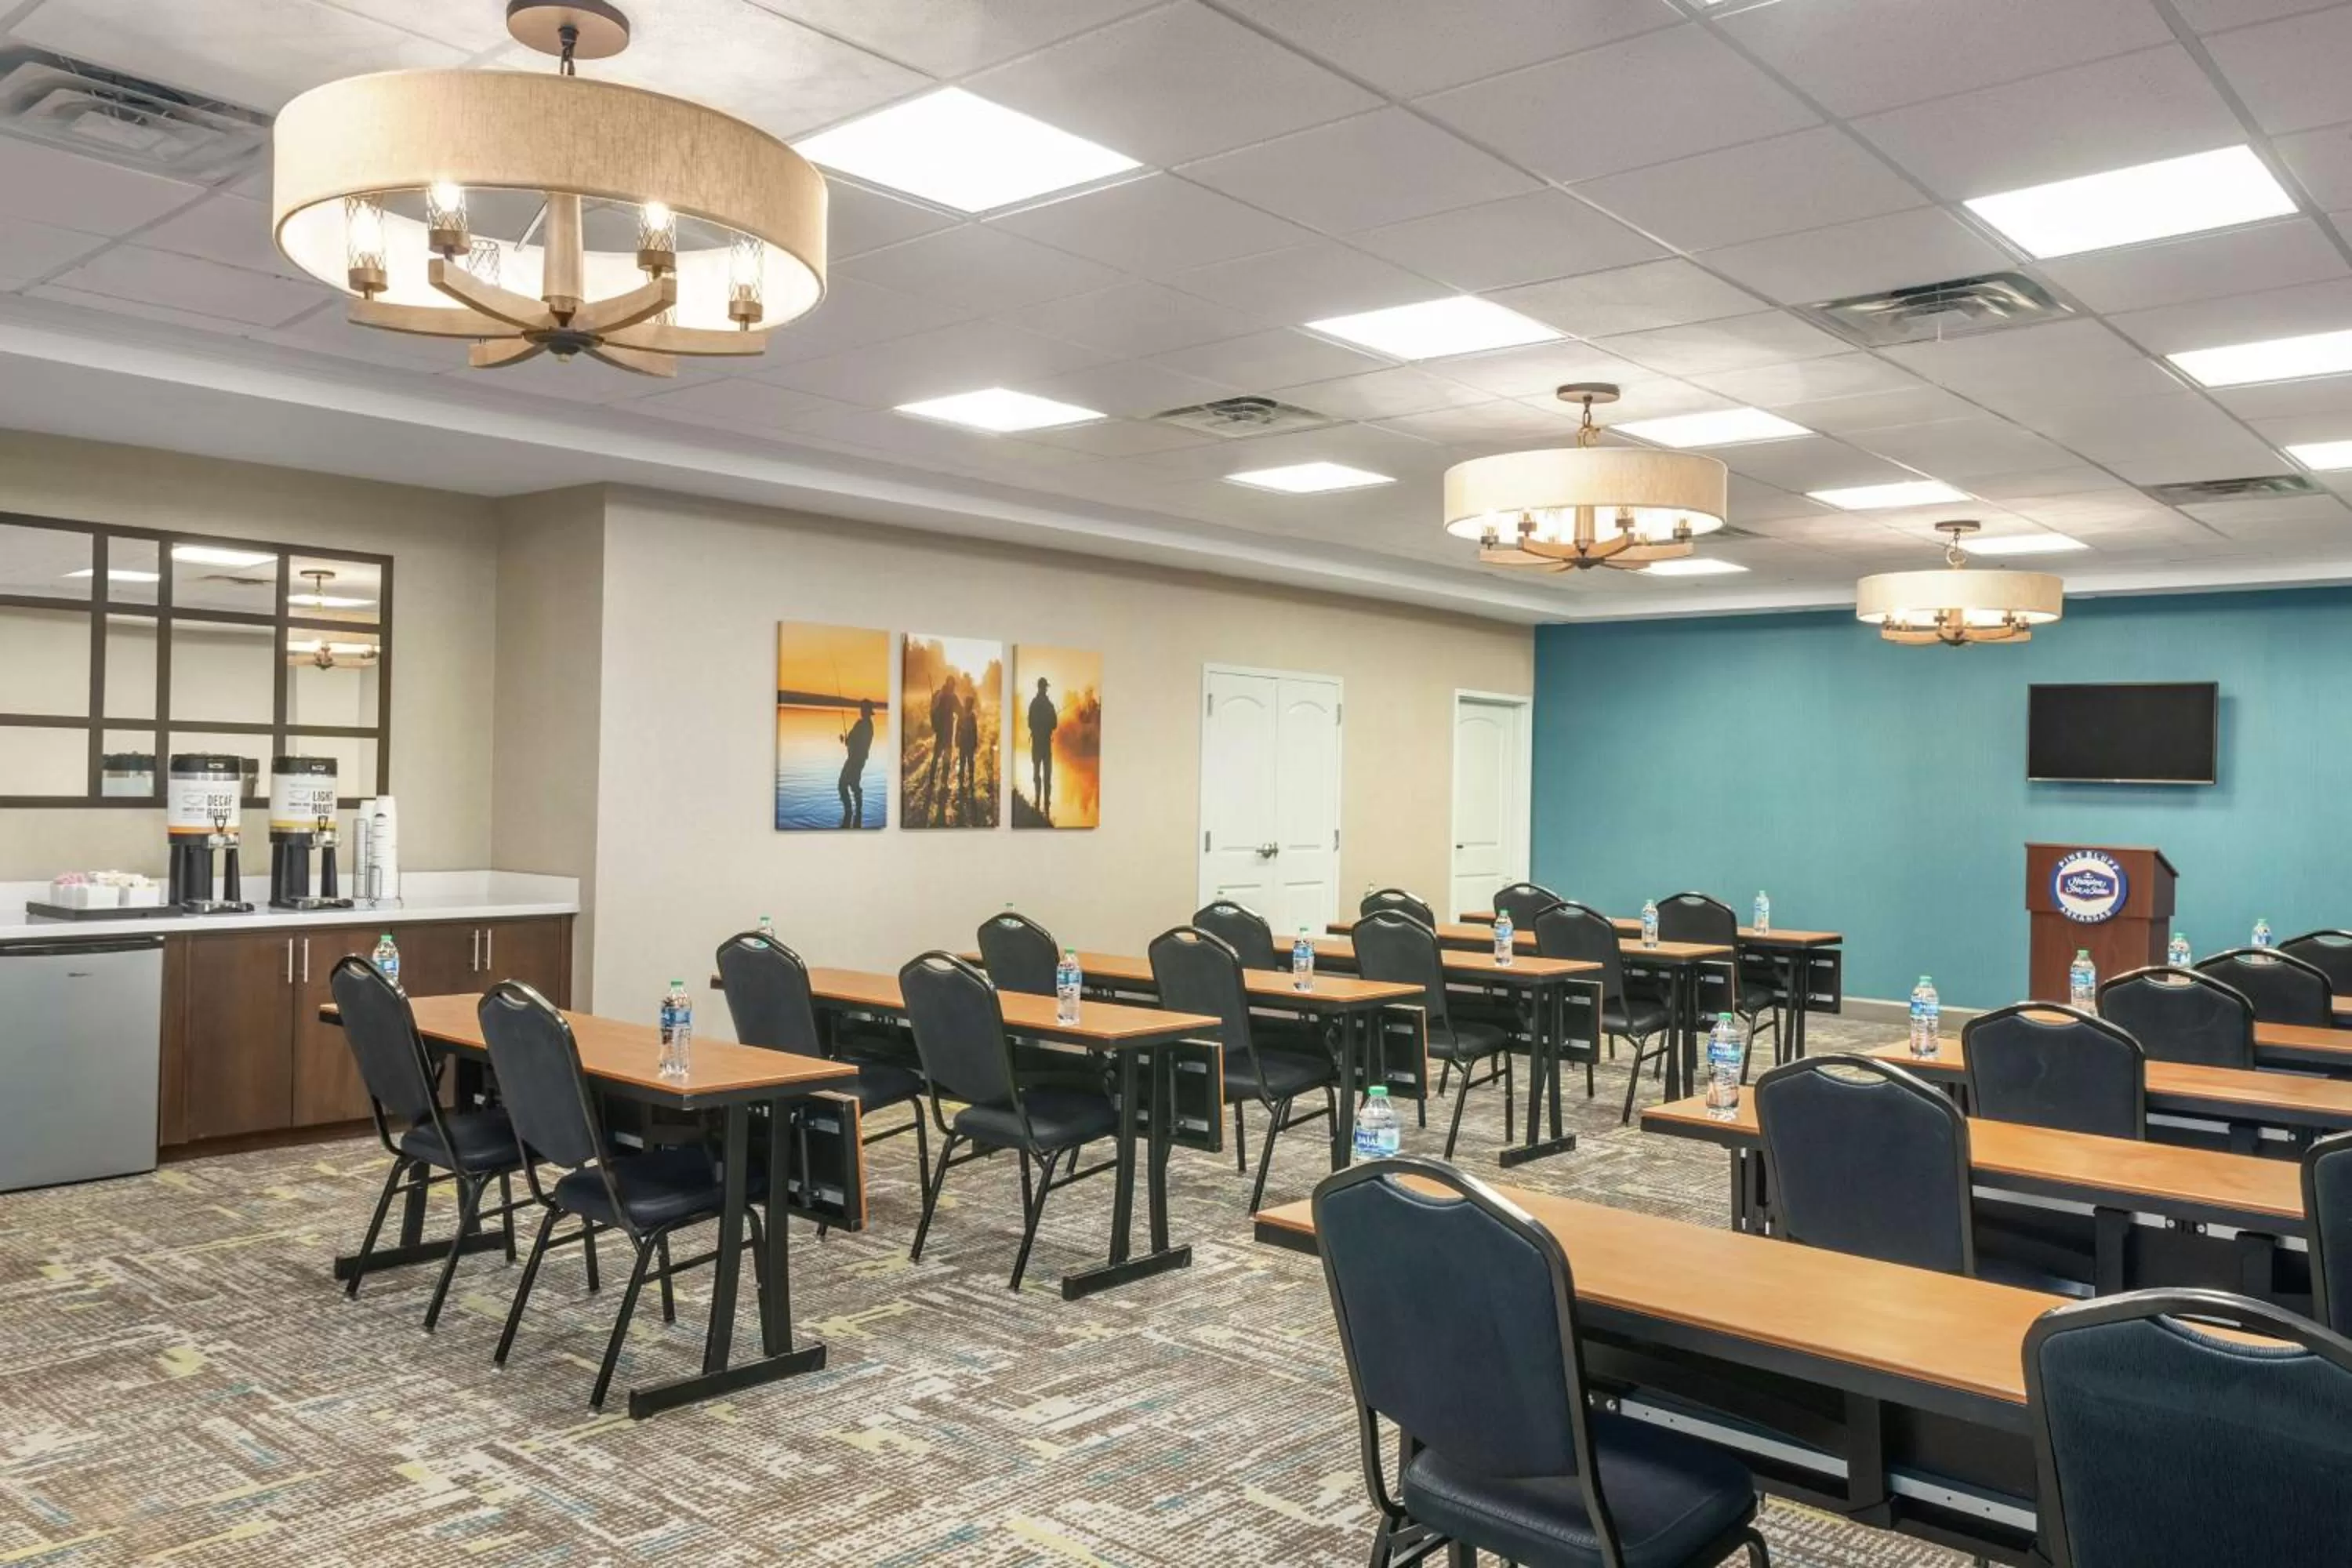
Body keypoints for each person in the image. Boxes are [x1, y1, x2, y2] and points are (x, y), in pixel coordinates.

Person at [837, 698, 874, 829]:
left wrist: (847, 741)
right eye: (861, 708)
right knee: (853, 784)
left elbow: (855, 743)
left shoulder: (863, 725)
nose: (861, 710)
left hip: (855, 760)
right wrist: (847, 741)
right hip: (858, 760)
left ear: (867, 711)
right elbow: (854, 742)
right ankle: (856, 814)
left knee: (842, 785)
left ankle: (850, 812)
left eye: (863, 708)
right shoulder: (867, 725)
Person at [924, 677, 958, 817]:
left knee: (941, 757)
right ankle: (939, 782)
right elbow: (960, 710)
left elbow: (932, 711)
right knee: (942, 757)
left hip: (944, 732)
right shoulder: (944, 696)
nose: (953, 687)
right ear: (950, 684)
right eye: (953, 685)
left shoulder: (941, 695)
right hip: (945, 732)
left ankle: (936, 782)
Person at [1026, 675, 1058, 823]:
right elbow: (1054, 725)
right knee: (1047, 775)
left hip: (1037, 743)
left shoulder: (1033, 703)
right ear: (1043, 688)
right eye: (1045, 687)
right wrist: (1047, 725)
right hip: (1045, 743)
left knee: (1036, 773)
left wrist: (1038, 728)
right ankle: (1046, 805)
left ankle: (1038, 801)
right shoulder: (1049, 705)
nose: (1045, 689)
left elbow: (1029, 723)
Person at [954, 673, 980, 808]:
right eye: (968, 703)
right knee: (964, 761)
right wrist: (956, 740)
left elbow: (975, 730)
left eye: (969, 703)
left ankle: (969, 780)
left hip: (969, 741)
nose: (969, 705)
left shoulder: (972, 716)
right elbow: (957, 728)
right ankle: (962, 780)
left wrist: (975, 742)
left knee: (969, 761)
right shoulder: (964, 714)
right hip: (965, 741)